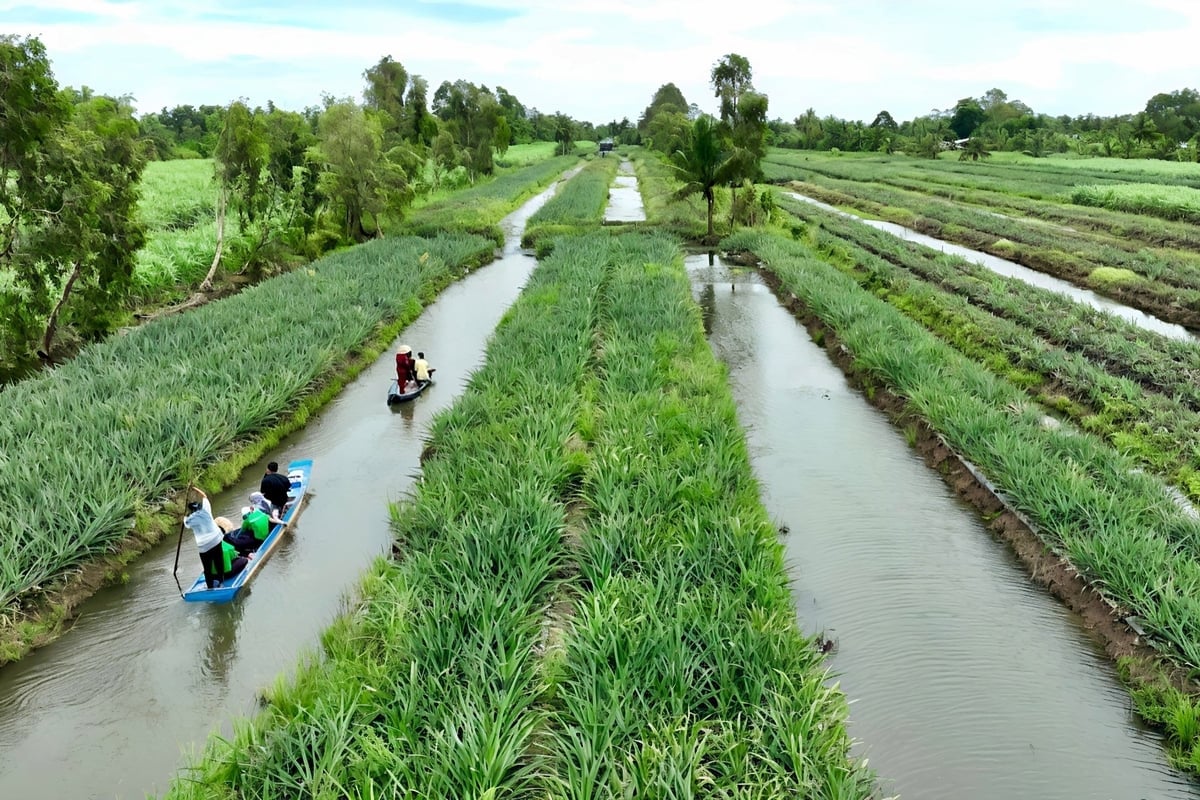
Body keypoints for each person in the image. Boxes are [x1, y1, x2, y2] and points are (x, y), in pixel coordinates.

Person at [184, 490, 248, 589]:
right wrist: (196, 489)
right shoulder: (206, 510)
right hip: (216, 539)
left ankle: (210, 587)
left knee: (207, 568)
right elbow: (204, 496)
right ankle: (221, 582)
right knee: (219, 562)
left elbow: (185, 522)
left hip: (204, 545)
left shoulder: (189, 520)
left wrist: (185, 514)